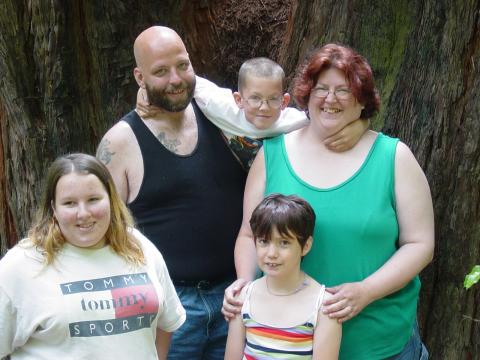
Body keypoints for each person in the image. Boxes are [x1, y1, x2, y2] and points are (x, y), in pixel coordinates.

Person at [224, 44, 434, 360]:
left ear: (362, 101)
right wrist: (243, 284)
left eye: (343, 91)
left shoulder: (393, 157)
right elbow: (247, 234)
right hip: (287, 346)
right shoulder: (272, 155)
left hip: (377, 343)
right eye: (321, 89)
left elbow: (420, 245)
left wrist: (366, 291)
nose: (330, 99)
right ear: (307, 95)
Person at [96, 26, 247, 359]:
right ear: (139, 77)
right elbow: (102, 236)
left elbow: (277, 120)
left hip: (235, 298)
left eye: (183, 65)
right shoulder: (120, 143)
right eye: (160, 72)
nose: (176, 79)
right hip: (167, 309)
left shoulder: (221, 116)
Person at [0, 153, 185, 360]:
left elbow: (167, 322)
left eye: (93, 199)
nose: (83, 213)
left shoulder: (139, 247)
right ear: (53, 209)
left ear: (111, 199)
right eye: (69, 203)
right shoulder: (21, 265)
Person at [137, 57, 369, 170]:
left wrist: (362, 124)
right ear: (239, 99)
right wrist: (144, 91)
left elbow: (333, 117)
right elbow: (186, 82)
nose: (264, 107)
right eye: (255, 99)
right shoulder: (220, 106)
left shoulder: (296, 121)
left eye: (272, 100)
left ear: (284, 101)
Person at [224, 194, 341, 360]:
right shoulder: (242, 298)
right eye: (264, 241)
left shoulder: (324, 306)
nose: (272, 254)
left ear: (306, 246)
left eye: (284, 242)